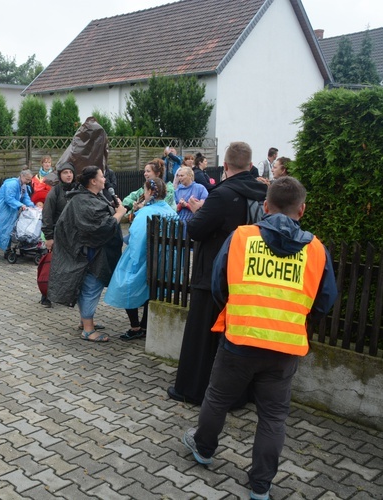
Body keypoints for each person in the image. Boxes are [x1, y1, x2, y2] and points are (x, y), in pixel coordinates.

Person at [182, 177, 337, 500]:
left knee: (218, 398)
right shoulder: (316, 249)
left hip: (239, 339)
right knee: (273, 416)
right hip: (284, 347)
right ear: (302, 209)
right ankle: (261, 485)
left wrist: (239, 310)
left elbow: (218, 284)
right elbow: (324, 302)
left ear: (265, 207)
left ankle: (204, 449)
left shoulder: (242, 237)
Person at [167, 141, 268, 405]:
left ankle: (193, 390)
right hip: (246, 275)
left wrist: (200, 210)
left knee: (202, 337)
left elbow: (196, 230)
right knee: (236, 340)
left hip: (214, 274)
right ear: (250, 165)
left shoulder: (223, 194)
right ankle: (236, 395)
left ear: (224, 166)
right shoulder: (261, 193)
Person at [48, 166, 127, 342]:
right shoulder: (83, 200)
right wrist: (119, 214)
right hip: (91, 255)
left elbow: (99, 216)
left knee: (87, 287)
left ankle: (84, 321)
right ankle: (88, 330)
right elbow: (101, 227)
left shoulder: (89, 197)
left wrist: (113, 209)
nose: (105, 179)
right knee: (91, 289)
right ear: (93, 181)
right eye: (101, 177)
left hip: (90, 252)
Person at [105, 177, 177, 340]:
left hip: (142, 257)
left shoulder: (145, 213)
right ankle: (145, 325)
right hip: (163, 260)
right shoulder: (171, 211)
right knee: (153, 290)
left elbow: (136, 238)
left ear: (150, 192)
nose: (143, 194)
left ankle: (136, 327)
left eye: (144, 191)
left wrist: (135, 260)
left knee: (126, 287)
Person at [39, 164, 76, 307]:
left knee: (70, 267)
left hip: (73, 236)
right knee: (53, 266)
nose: (68, 175)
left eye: (70, 172)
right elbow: (47, 215)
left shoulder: (77, 190)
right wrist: (48, 237)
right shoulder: (54, 192)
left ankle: (66, 295)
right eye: (65, 172)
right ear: (60, 175)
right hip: (57, 235)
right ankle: (45, 295)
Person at [0, 168, 35, 254]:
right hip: (4, 210)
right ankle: (7, 248)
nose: (28, 182)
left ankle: (8, 248)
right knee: (5, 228)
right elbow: (9, 198)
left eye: (29, 180)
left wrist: (31, 205)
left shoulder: (23, 186)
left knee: (11, 229)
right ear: (22, 176)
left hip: (12, 209)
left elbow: (25, 197)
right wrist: (20, 205)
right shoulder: (12, 184)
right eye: (27, 179)